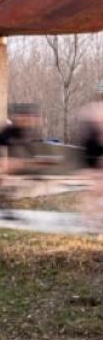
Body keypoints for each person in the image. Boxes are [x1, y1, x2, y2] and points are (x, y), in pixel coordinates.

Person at [0, 103, 44, 218]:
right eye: (27, 118)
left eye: (31, 119)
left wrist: (36, 158)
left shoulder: (23, 131)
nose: (30, 122)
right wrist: (4, 164)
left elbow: (27, 146)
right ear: (21, 118)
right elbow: (0, 147)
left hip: (2, 152)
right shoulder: (10, 129)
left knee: (17, 165)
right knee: (8, 168)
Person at [75, 84, 103, 231]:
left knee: (96, 188)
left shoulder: (90, 109)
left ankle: (90, 217)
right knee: (96, 187)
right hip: (92, 152)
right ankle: (90, 218)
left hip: (90, 152)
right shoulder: (96, 110)